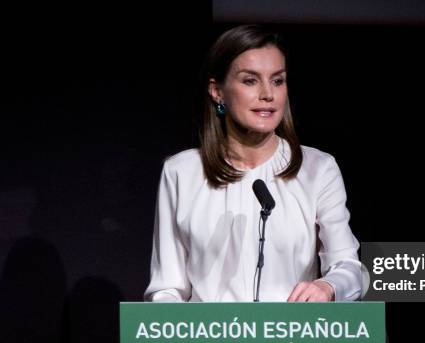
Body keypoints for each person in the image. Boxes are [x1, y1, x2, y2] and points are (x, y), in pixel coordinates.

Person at [144, 24, 368, 303]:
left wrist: (328, 287)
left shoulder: (318, 168)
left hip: (291, 341)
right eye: (250, 80)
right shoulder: (181, 172)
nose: (268, 94)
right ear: (217, 92)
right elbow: (167, 288)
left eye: (277, 80)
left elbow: (349, 269)